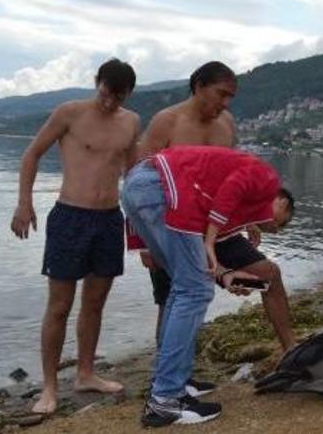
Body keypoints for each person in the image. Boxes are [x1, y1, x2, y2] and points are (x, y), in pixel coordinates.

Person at [133, 61, 296, 398]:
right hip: (173, 226)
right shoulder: (167, 121)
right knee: (173, 298)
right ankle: (171, 381)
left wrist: (248, 220)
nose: (226, 103)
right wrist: (143, 243)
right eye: (222, 94)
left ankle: (292, 353)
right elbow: (140, 178)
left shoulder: (227, 123)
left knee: (270, 273)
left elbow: (229, 178)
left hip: (217, 228)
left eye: (231, 96)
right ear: (198, 86)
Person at [121, 146, 295, 427]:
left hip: (139, 188)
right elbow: (233, 187)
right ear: (278, 198)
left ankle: (169, 384)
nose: (270, 224)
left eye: (276, 227)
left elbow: (196, 253)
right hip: (159, 188)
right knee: (194, 291)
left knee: (184, 288)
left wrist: (225, 275)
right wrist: (213, 239)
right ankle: (165, 399)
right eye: (276, 218)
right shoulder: (266, 178)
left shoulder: (218, 205)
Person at [10, 58, 140, 414]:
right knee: (60, 306)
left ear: (128, 94)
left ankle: (85, 373)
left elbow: (135, 174)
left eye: (118, 97)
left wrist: (144, 224)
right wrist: (25, 204)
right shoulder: (70, 113)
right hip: (70, 217)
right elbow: (32, 153)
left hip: (110, 219)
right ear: (96, 83)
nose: (110, 102)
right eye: (105, 93)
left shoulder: (131, 122)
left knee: (94, 304)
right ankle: (49, 388)